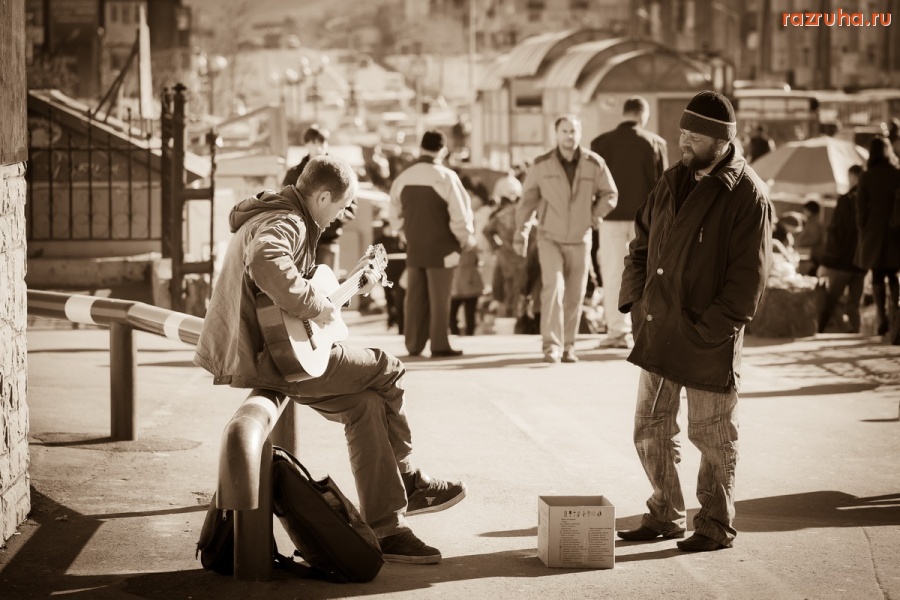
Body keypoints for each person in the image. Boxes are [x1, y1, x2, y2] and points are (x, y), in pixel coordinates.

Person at [194, 155, 466, 564]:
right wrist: (313, 306)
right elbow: (267, 260)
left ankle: (387, 527)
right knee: (387, 368)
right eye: (340, 206)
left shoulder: (278, 213)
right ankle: (409, 479)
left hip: (271, 353)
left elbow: (299, 294)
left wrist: (342, 289)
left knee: (367, 407)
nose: (342, 215)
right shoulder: (290, 221)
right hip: (269, 359)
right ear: (321, 196)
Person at [616, 91, 773, 552]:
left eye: (694, 134)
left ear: (722, 140)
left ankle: (714, 523)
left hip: (708, 339)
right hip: (659, 328)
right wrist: (636, 302)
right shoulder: (670, 180)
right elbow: (640, 245)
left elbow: (749, 281)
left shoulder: (748, 194)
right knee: (650, 429)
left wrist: (711, 328)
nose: (683, 140)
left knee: (713, 438)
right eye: (682, 131)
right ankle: (664, 513)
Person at [513, 114, 618, 364]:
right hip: (550, 237)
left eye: (573, 131)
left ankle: (569, 346)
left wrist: (594, 217)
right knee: (554, 288)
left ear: (580, 134)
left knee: (575, 294)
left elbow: (610, 194)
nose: (569, 136)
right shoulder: (541, 164)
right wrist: (522, 232)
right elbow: (527, 201)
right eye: (564, 131)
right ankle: (551, 346)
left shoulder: (594, 163)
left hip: (581, 239)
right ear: (556, 134)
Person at [590, 95, 668, 349]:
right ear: (643, 116)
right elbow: (663, 189)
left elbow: (593, 184)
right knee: (647, 274)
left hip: (610, 219)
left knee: (613, 273)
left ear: (623, 113)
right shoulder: (655, 143)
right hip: (645, 223)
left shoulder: (600, 143)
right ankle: (646, 330)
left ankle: (616, 331)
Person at [389, 130, 476, 358]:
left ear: (421, 147)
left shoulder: (404, 177)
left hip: (415, 247)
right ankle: (439, 343)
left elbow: (394, 215)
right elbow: (460, 215)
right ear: (443, 150)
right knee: (440, 298)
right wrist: (464, 239)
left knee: (415, 297)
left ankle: (413, 344)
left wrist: (405, 234)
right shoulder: (447, 177)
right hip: (443, 248)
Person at [281, 126, 357, 272]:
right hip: (301, 240)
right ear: (307, 144)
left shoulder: (340, 172)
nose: (319, 147)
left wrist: (333, 218)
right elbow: (286, 201)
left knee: (328, 288)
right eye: (314, 142)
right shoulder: (294, 173)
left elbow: (351, 205)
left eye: (322, 142)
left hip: (328, 240)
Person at [855, 136, 900, 336]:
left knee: (878, 274)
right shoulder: (897, 174)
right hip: (896, 232)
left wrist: (863, 231)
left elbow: (861, 210)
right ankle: (896, 316)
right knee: (894, 274)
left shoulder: (866, 176)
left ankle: (882, 317)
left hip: (873, 231)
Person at [818, 165, 866, 333]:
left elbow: (837, 230)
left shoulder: (846, 200)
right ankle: (855, 329)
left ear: (853, 177)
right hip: (862, 260)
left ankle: (820, 327)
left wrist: (828, 258)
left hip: (843, 260)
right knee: (854, 301)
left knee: (831, 299)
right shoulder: (869, 198)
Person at [449, 245, 484, 336]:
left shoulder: (454, 253)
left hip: (459, 288)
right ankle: (468, 334)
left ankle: (456, 333)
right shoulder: (472, 253)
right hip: (469, 287)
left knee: (453, 314)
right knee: (469, 314)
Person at [795, 199, 825, 276]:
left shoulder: (814, 222)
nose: (803, 211)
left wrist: (800, 243)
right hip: (811, 252)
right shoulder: (813, 220)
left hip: (813, 254)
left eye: (805, 209)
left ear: (810, 210)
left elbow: (814, 238)